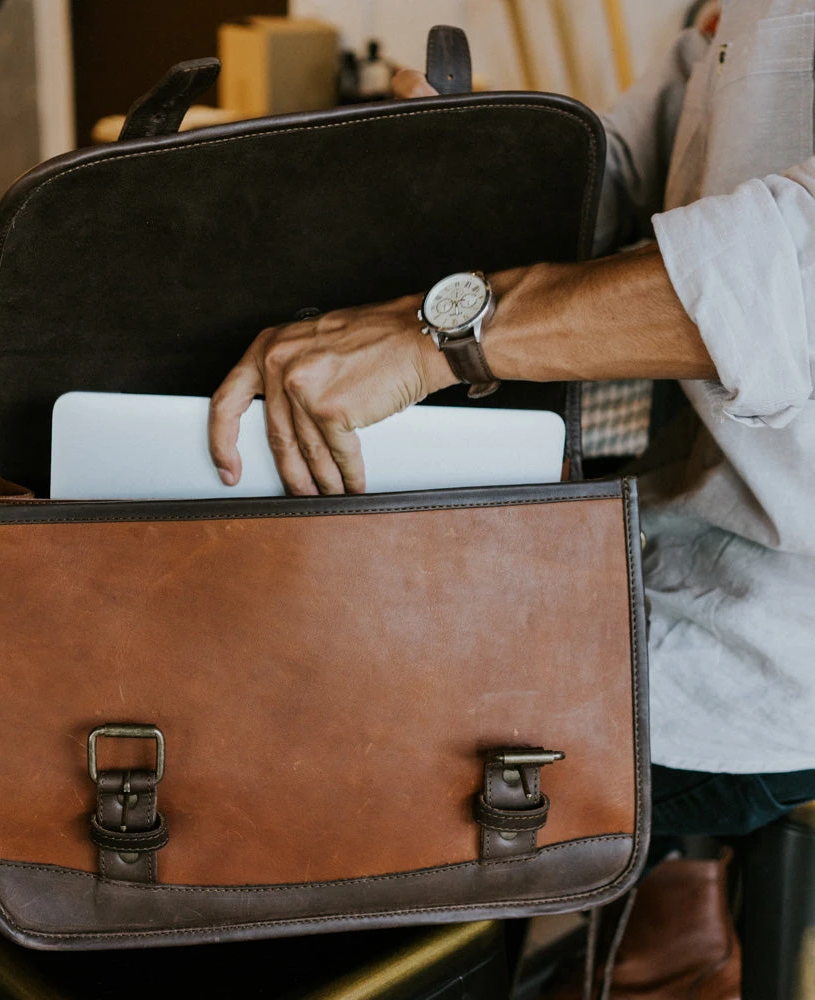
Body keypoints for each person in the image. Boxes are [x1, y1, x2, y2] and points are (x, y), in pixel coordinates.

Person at [208, 1, 815, 992]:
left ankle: (654, 899)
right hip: (682, 546)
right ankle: (667, 909)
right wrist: (493, 147)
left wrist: (440, 336)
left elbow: (793, 264)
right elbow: (636, 178)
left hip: (778, 638)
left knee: (304, 728)